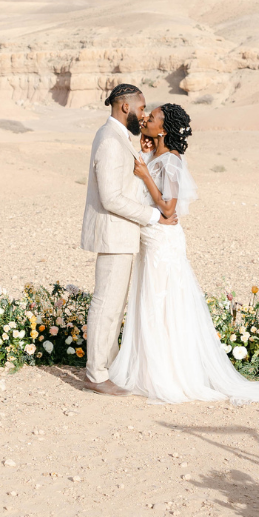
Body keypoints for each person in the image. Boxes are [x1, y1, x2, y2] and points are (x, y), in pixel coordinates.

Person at [107, 103, 259, 406]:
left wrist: (144, 174)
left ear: (163, 129)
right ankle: (148, 369)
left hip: (163, 241)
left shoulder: (173, 162)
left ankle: (167, 375)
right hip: (152, 238)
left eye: (151, 118)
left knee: (163, 304)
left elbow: (168, 207)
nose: (146, 120)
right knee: (151, 302)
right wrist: (144, 157)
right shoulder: (157, 156)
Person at [81, 83, 178, 395]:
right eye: (141, 106)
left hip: (122, 235)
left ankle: (106, 368)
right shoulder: (110, 139)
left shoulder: (120, 137)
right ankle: (96, 375)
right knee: (106, 305)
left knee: (113, 305)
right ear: (125, 107)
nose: (144, 113)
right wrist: (154, 217)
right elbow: (111, 198)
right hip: (113, 235)